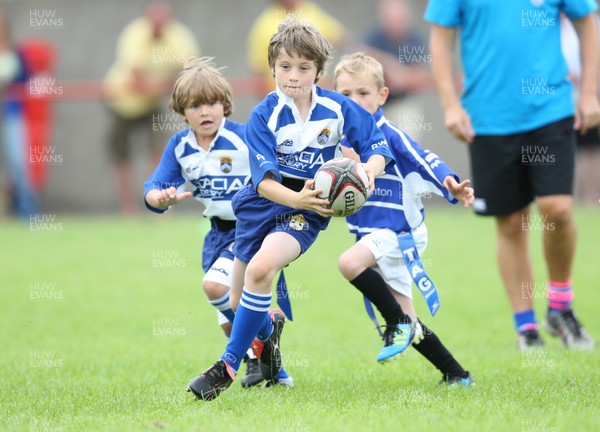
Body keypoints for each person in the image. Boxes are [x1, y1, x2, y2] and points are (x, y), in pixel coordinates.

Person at [187, 16, 396, 402]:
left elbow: (378, 147)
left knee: (264, 267)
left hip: (306, 212)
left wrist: (366, 172)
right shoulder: (264, 116)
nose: (293, 75)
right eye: (285, 66)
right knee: (237, 304)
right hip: (262, 205)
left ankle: (227, 366)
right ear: (273, 69)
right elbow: (265, 183)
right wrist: (296, 196)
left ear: (319, 71)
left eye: (304, 67)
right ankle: (270, 336)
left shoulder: (338, 107)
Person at [425, 0, 599, 349]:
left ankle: (560, 306)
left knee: (558, 209)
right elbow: (440, 41)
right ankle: (526, 328)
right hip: (488, 119)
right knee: (510, 223)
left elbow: (586, 23)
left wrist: (590, 93)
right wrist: (450, 104)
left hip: (550, 110)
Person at [144, 57, 293, 390]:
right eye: (195, 105)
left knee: (214, 288)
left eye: (212, 103)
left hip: (251, 230)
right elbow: (152, 188)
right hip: (216, 235)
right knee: (229, 321)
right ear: (183, 112)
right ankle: (272, 361)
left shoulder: (244, 137)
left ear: (225, 105)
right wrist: (160, 198)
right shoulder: (180, 147)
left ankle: (257, 350)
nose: (205, 111)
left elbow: (279, 167)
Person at [334, 52, 474, 387]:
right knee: (411, 321)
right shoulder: (338, 140)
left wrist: (450, 184)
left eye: (363, 93)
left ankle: (395, 322)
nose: (354, 101)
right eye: (346, 95)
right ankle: (456, 374)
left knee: (348, 264)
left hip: (399, 234)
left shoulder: (388, 134)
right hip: (373, 236)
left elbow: (423, 158)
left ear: (382, 96)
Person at [104, 0, 198, 214]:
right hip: (121, 104)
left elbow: (188, 72)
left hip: (151, 104)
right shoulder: (134, 34)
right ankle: (128, 209)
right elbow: (136, 80)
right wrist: (163, 86)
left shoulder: (179, 36)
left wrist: (157, 87)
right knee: (122, 158)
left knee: (158, 153)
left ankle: (160, 205)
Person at [359, 0, 435, 142]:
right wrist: (390, 66)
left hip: (403, 101)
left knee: (406, 141)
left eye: (397, 17)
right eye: (389, 17)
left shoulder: (414, 39)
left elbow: (417, 78)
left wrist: (401, 76)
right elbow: (360, 59)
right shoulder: (375, 37)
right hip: (375, 104)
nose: (393, 22)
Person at [247, 0, 346, 95]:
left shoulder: (310, 10)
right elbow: (259, 70)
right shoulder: (265, 24)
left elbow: (340, 37)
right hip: (281, 95)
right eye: (286, 67)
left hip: (315, 93)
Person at [561, 13, 600, 205]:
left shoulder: (591, 23)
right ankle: (568, 196)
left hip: (587, 99)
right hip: (560, 102)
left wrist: (589, 87)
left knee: (591, 148)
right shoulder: (553, 26)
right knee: (565, 149)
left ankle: (591, 196)